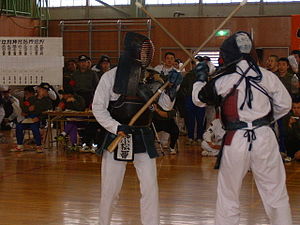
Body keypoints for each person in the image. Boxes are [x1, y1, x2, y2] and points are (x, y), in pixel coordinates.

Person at [192, 31, 292, 225]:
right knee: (275, 192)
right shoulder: (267, 76)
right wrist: (264, 121)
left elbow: (199, 99)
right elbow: (285, 105)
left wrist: (200, 78)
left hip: (235, 140)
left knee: (228, 195)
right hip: (264, 137)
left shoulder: (222, 80)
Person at [92, 32, 181, 225]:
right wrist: (115, 127)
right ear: (132, 49)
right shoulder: (111, 76)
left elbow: (165, 106)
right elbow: (98, 107)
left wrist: (172, 88)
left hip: (143, 135)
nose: (145, 54)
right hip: (120, 134)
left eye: (147, 51)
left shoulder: (152, 76)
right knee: (110, 189)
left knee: (150, 188)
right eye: (142, 50)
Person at [11, 83, 53, 153]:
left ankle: (38, 146)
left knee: (34, 127)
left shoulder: (47, 101)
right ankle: (19, 145)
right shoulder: (32, 98)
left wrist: (39, 118)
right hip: (29, 119)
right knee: (19, 126)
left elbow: (48, 113)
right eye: (42, 89)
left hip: (39, 120)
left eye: (45, 90)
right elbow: (24, 108)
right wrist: (28, 110)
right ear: (39, 89)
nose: (44, 91)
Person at [56, 85, 85, 150]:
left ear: (69, 94)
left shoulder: (79, 98)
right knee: (72, 124)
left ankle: (63, 134)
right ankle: (73, 145)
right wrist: (60, 108)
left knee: (72, 122)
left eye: (64, 94)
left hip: (81, 119)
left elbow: (82, 108)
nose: (63, 96)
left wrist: (74, 101)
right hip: (70, 119)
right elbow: (60, 108)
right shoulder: (63, 100)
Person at [284, 96, 300, 160]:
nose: (296, 110)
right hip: (292, 151)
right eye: (294, 108)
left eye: (299, 108)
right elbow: (287, 139)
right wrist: (290, 125)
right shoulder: (287, 119)